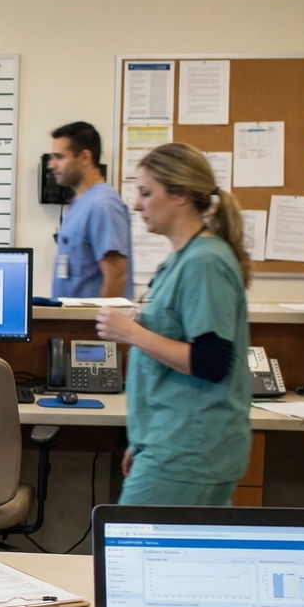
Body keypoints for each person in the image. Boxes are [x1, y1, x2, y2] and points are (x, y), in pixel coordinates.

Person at [95, 142, 251, 505]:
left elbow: (211, 361)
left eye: (147, 193)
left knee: (128, 551)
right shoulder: (185, 258)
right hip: (174, 444)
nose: (136, 205)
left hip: (189, 450)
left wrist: (130, 333)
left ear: (180, 195)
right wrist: (145, 441)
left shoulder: (204, 263)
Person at [47, 121, 132, 299]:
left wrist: (99, 326)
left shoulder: (103, 205)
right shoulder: (79, 203)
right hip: (69, 322)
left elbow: (116, 277)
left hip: (88, 326)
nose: (51, 165)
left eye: (59, 157)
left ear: (85, 157)